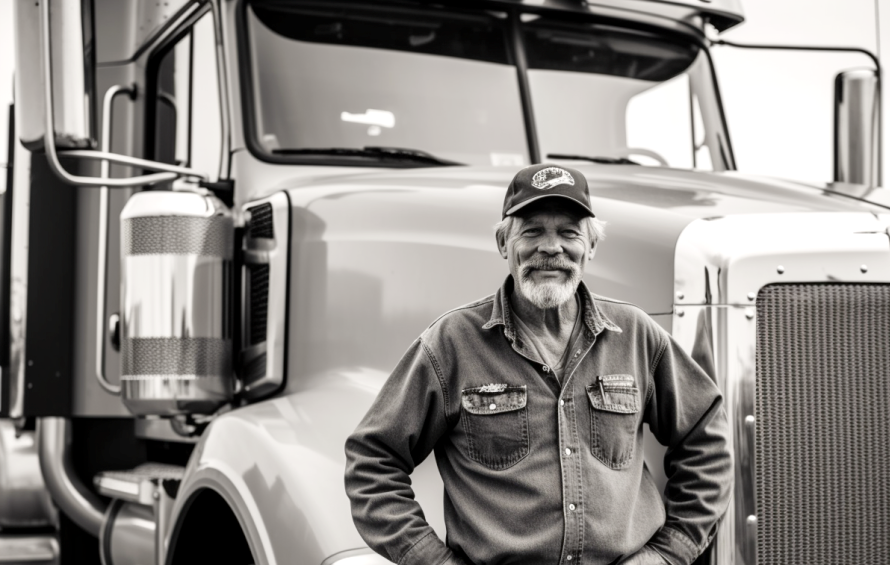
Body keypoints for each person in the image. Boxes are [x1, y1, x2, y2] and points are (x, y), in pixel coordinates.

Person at [344, 164, 733, 565]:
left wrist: (670, 553)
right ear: (502, 242)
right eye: (532, 231)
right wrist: (433, 561)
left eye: (569, 232)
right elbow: (371, 462)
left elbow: (706, 435)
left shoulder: (635, 335)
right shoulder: (452, 344)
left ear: (591, 246)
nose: (551, 247)